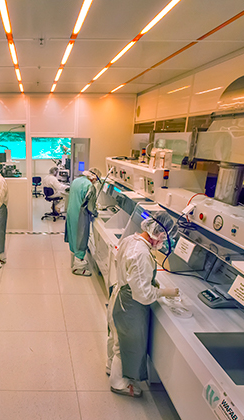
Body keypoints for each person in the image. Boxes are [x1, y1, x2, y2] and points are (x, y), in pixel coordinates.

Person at [107, 214, 179, 398]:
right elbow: (143, 295)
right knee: (125, 344)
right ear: (158, 234)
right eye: (165, 237)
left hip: (120, 295)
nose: (164, 241)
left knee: (116, 337)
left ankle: (111, 367)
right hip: (130, 305)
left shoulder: (131, 239)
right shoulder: (142, 254)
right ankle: (118, 383)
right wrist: (163, 292)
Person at [65, 168, 102, 276]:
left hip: (71, 212)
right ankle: (79, 268)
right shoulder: (89, 186)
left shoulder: (76, 181)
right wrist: (96, 213)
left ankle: (74, 262)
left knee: (73, 237)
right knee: (81, 239)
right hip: (80, 216)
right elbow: (90, 207)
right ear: (94, 177)